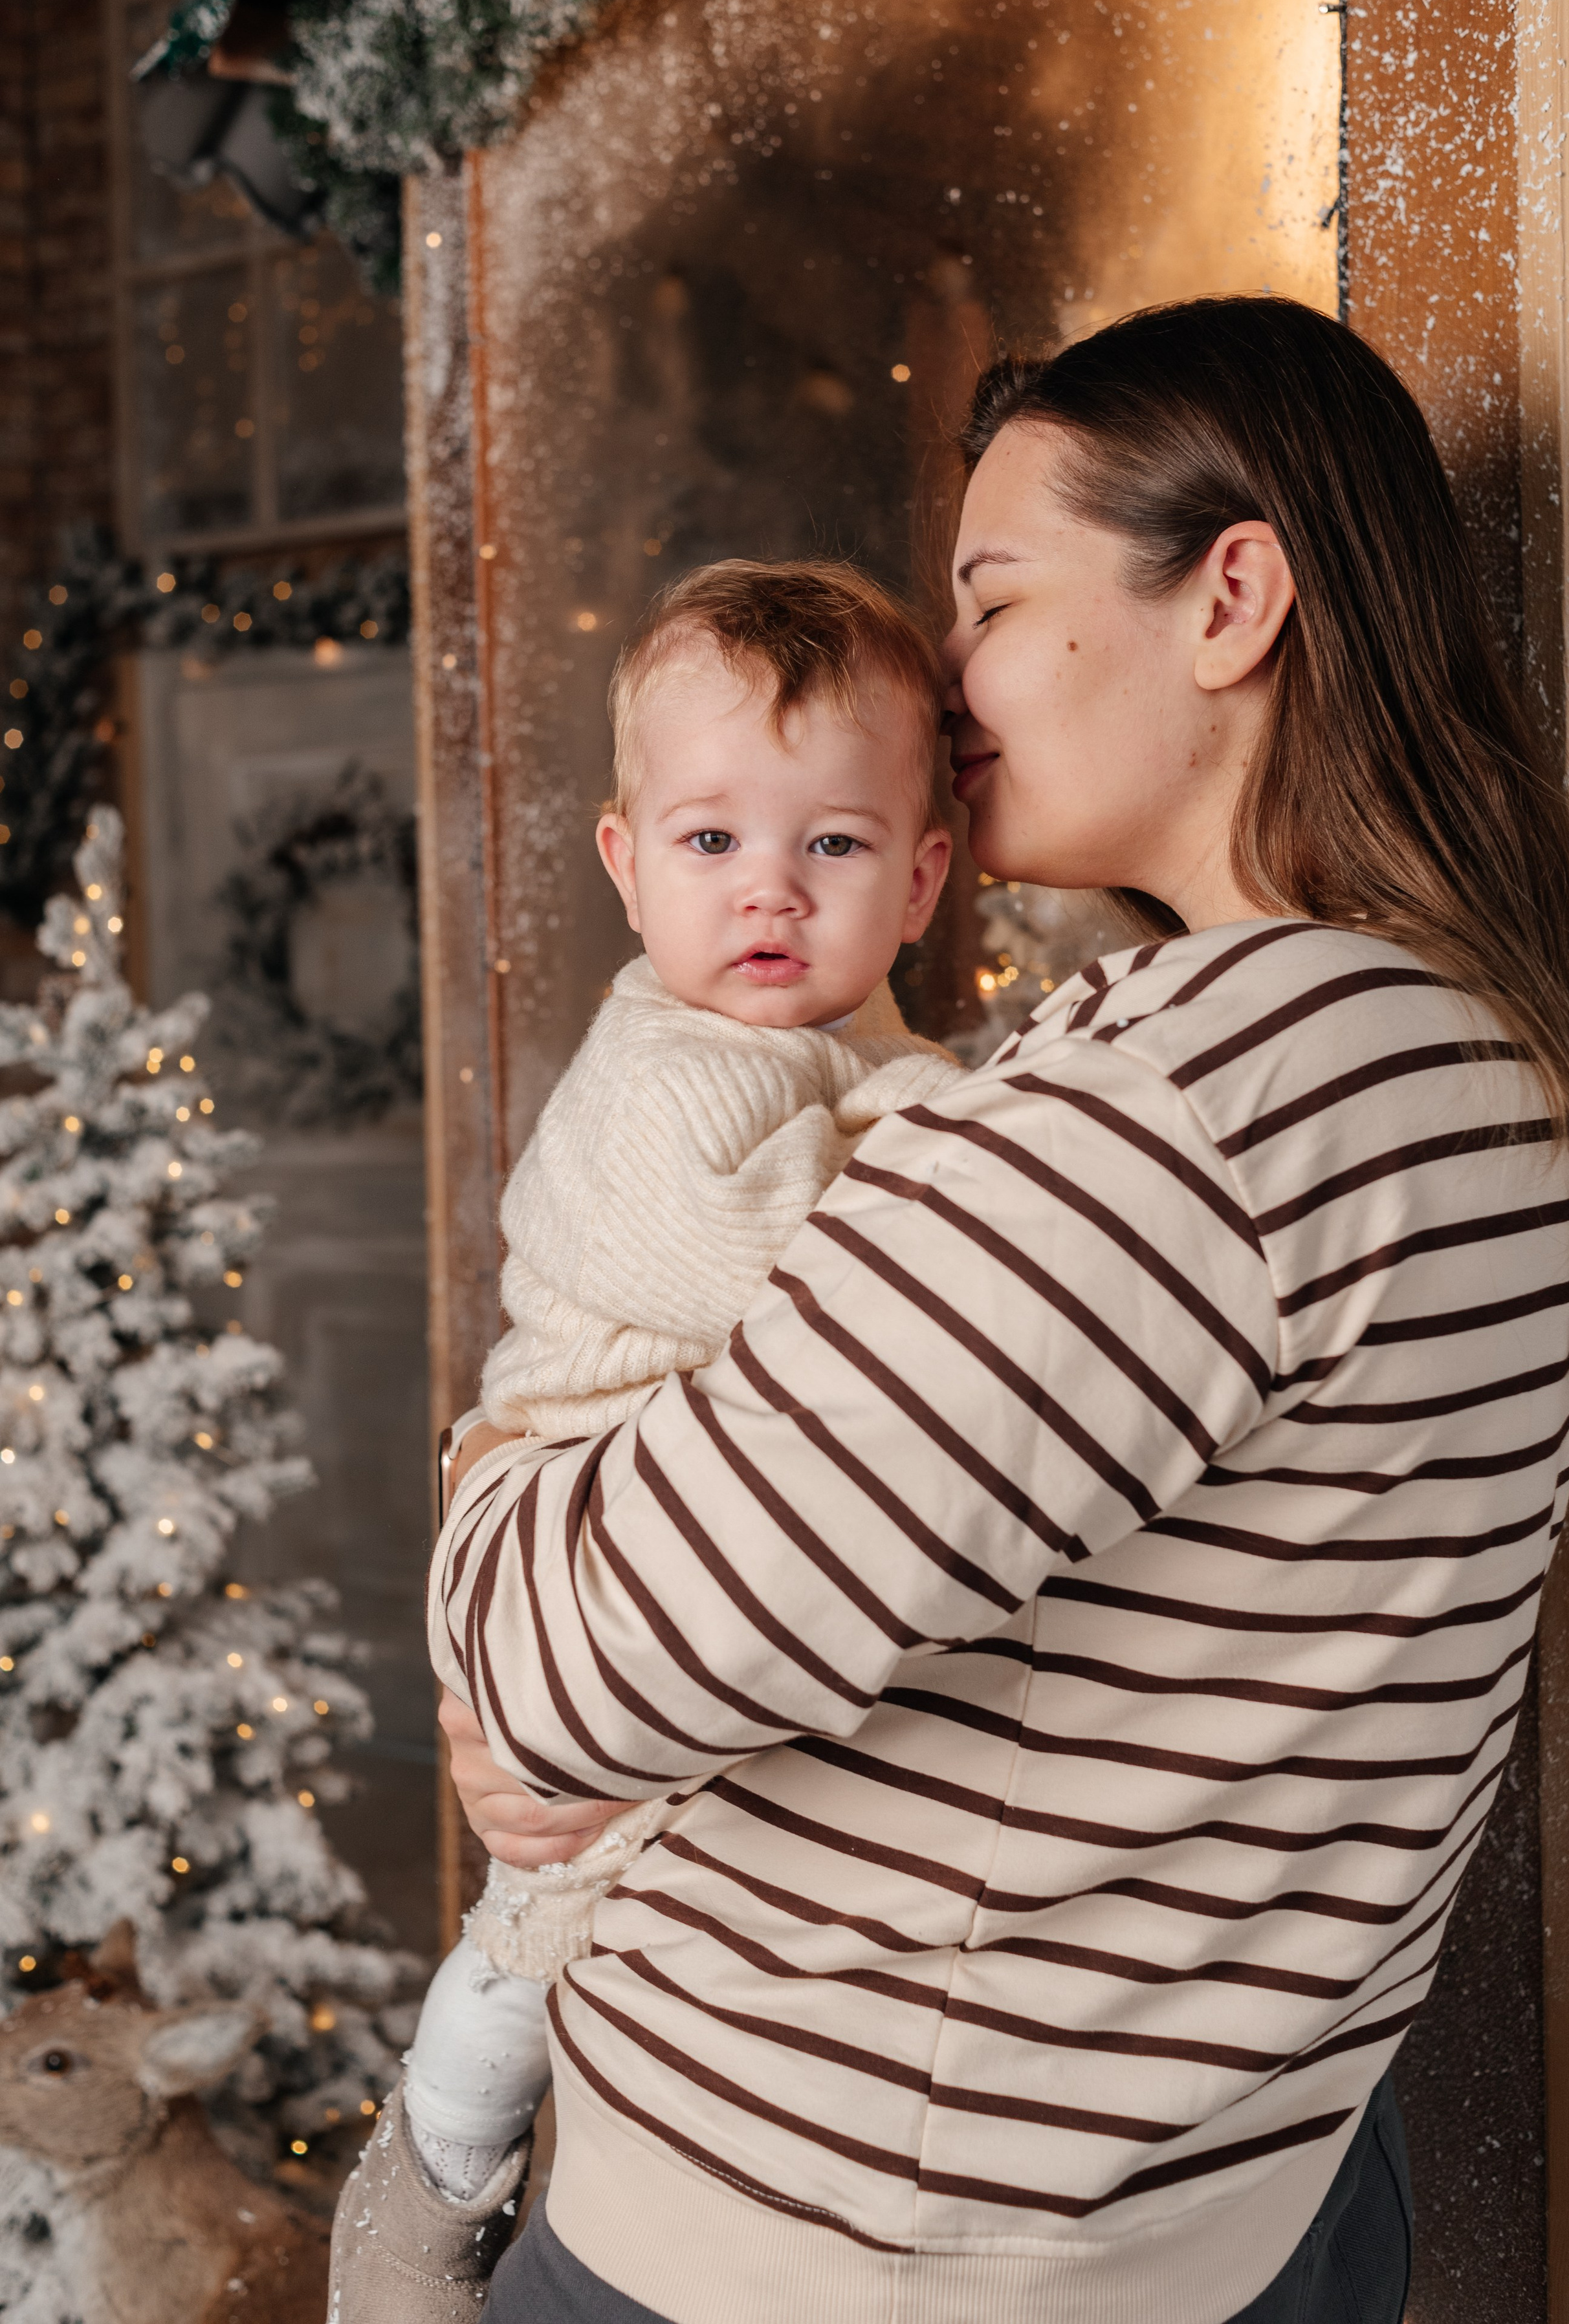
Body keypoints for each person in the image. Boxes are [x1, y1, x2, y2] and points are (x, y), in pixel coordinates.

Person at [432, 298, 1569, 2324]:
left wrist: (499, 1473)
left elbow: (569, 1670)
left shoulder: (1213, 1085)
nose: (952, 676)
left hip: (851, 2250)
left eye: (993, 595)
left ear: (1232, 597)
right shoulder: (1459, 1050)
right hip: (1207, 2192)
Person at [327, 563, 959, 2323]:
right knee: (563, 1889)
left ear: (921, 878)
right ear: (623, 863)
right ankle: (440, 2161)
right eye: (708, 844)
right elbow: (820, 1284)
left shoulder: (851, 1049)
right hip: (584, 1471)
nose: (768, 886)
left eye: (832, 847)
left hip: (673, 1535)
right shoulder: (673, 1075)